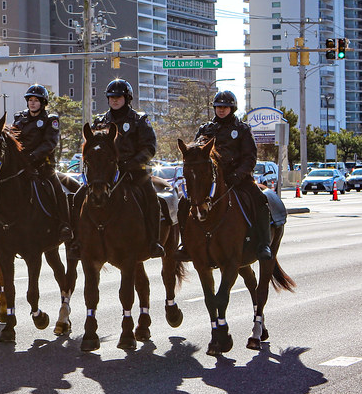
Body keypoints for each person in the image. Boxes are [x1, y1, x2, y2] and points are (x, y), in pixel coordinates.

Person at [178, 91, 273, 262]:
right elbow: (196, 153)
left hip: (238, 179)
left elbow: (250, 157)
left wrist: (238, 174)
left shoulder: (242, 129)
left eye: (225, 107)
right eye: (218, 107)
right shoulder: (205, 129)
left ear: (232, 108)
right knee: (184, 203)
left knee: (260, 200)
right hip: (211, 180)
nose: (221, 110)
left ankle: (264, 244)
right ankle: (186, 244)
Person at [90, 79, 164, 258]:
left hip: (135, 173)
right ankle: (78, 241)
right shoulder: (100, 121)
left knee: (153, 200)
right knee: (78, 198)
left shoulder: (139, 120)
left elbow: (149, 147)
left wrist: (132, 163)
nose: (114, 100)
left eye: (118, 97)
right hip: (106, 174)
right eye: (111, 97)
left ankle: (154, 242)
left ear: (127, 98)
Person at [12, 84, 72, 241]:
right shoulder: (19, 118)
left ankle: (65, 224)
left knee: (58, 190)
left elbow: (49, 143)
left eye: (36, 100)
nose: (32, 103)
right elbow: (13, 140)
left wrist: (33, 156)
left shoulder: (50, 120)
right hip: (21, 167)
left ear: (43, 102)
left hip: (43, 167)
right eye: (30, 100)